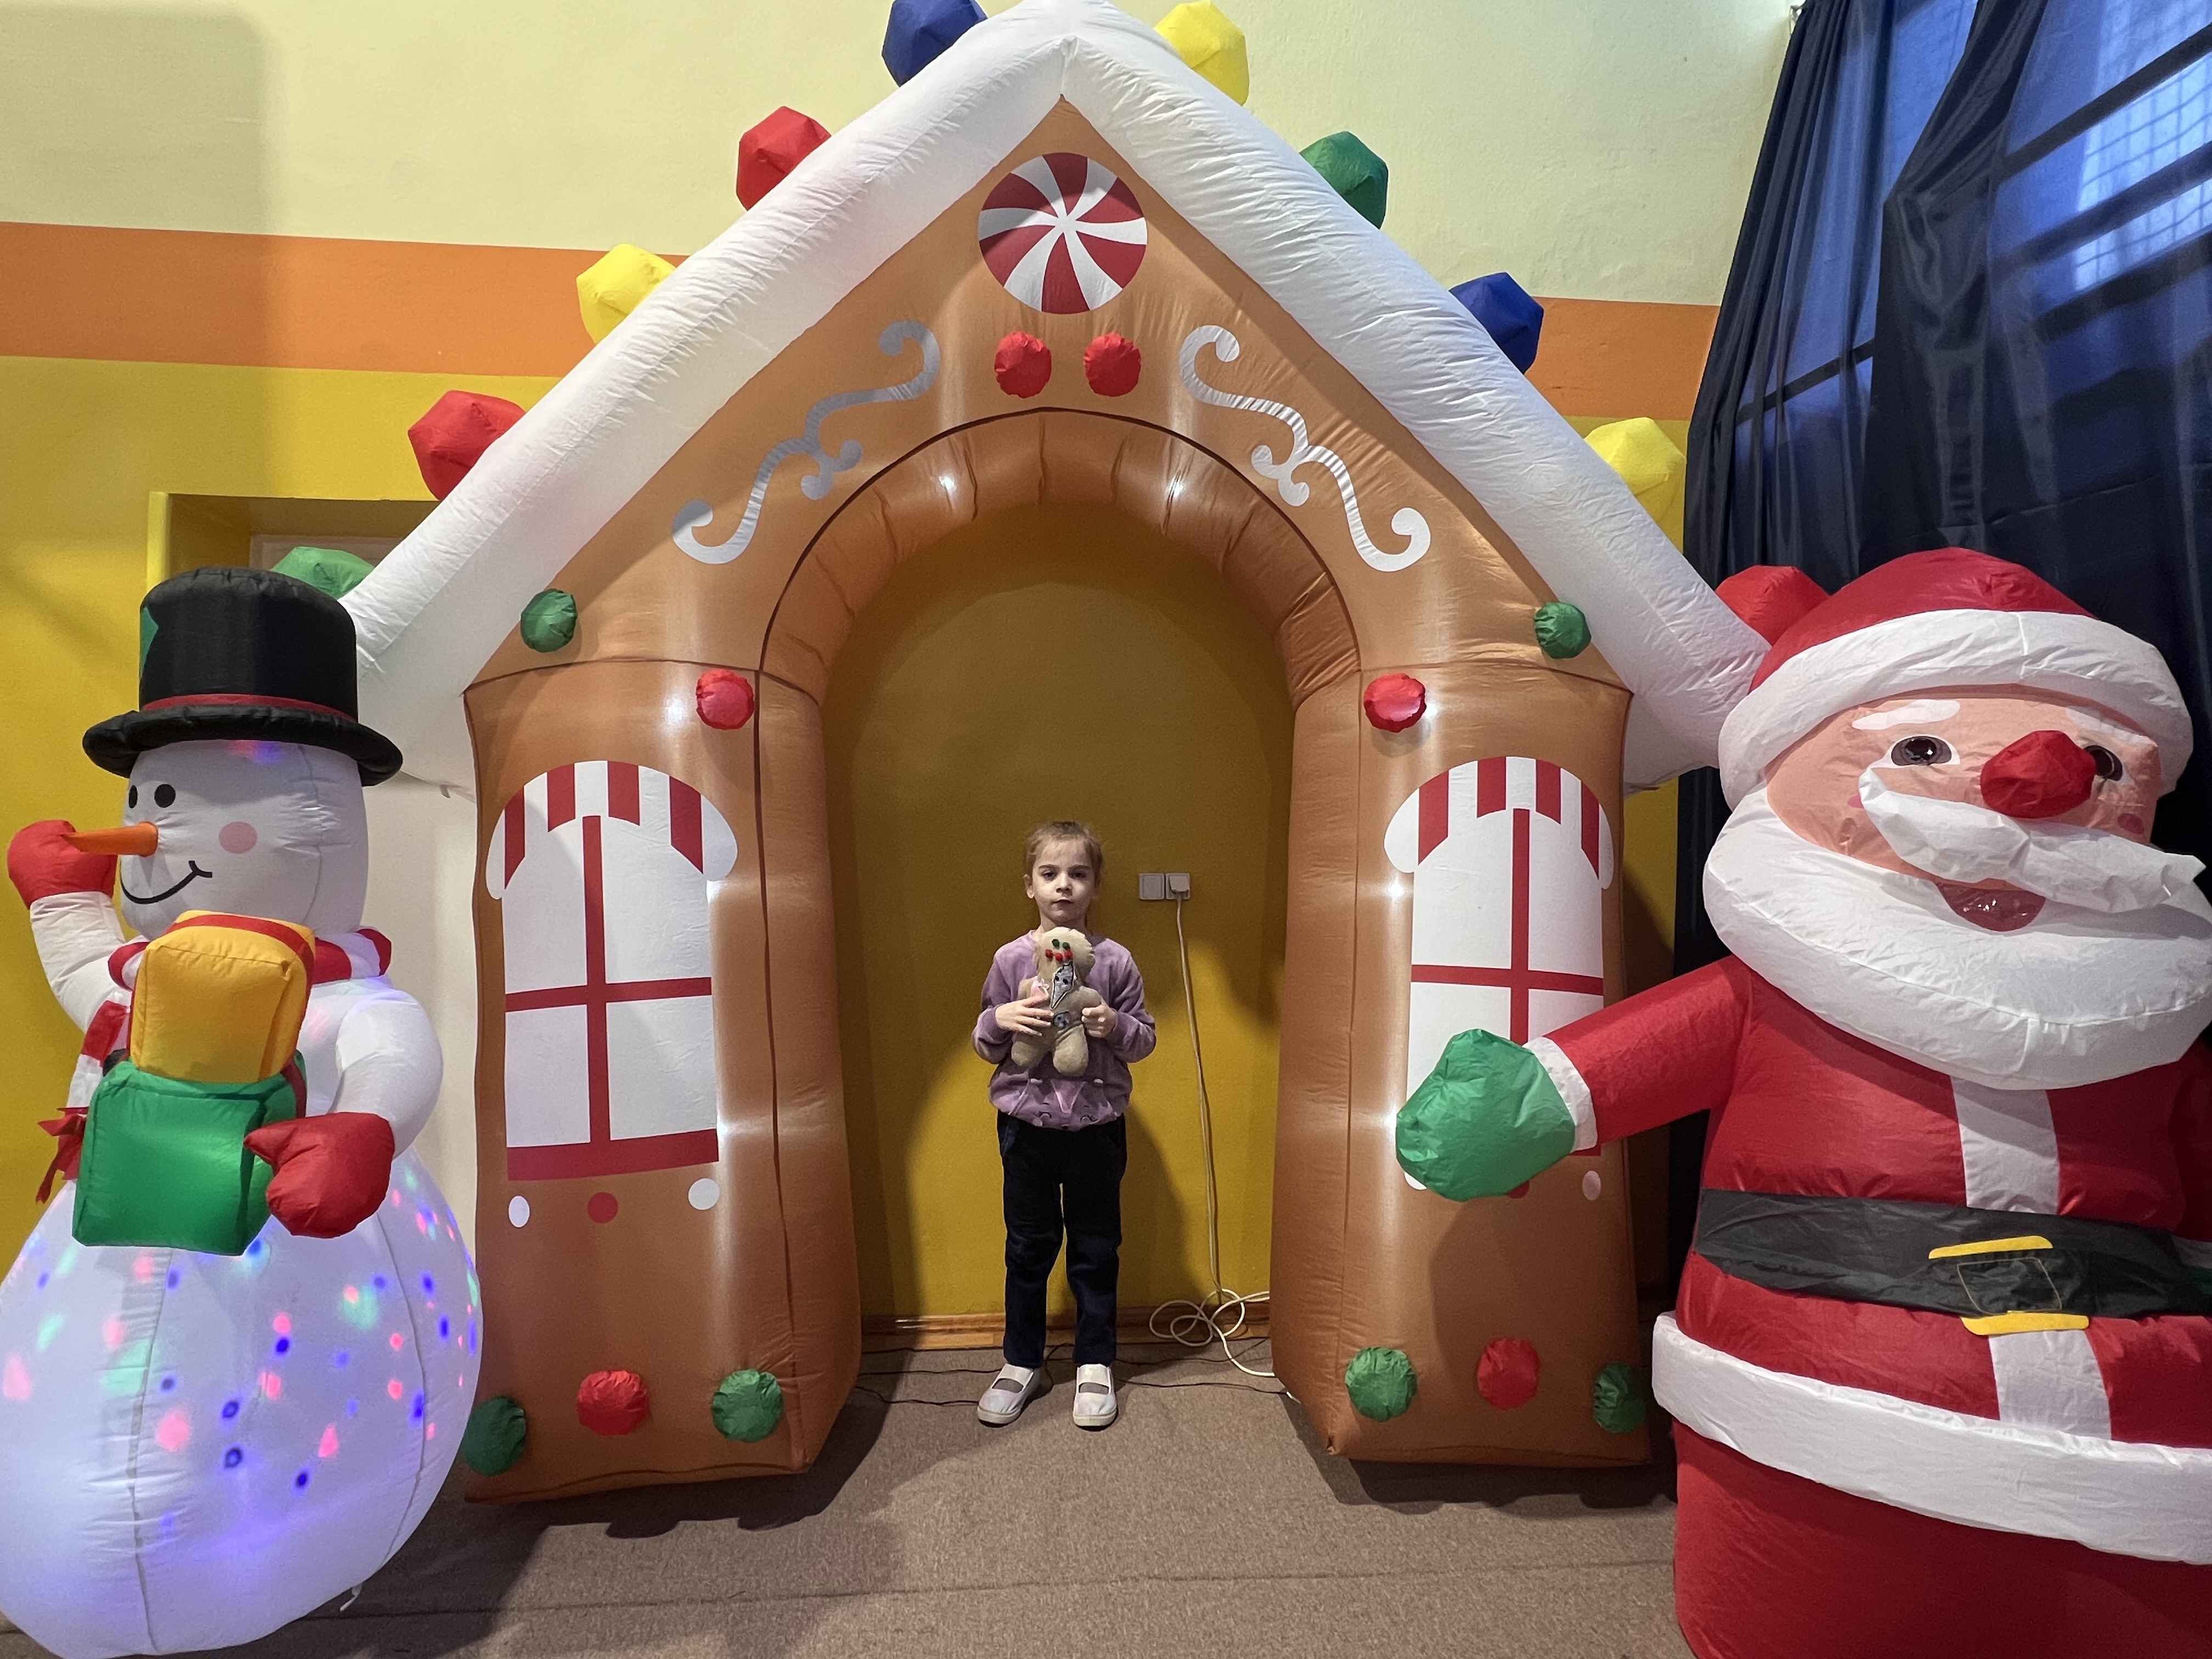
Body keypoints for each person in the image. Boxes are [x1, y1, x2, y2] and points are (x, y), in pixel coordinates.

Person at [1395, 551, 2212, 1659]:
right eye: (1922, 749)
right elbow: (1636, 1058)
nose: (2036, 782)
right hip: (1824, 1368)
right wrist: (1527, 1099)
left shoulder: (2148, 1012)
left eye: (2101, 761)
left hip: (2141, 1373)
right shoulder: (1771, 992)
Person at [972, 821, 1156, 1429]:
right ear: (1030, 885)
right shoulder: (1009, 960)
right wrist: (1000, 1019)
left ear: (1096, 886)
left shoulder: (1116, 962)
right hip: (1026, 1129)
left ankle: (1095, 1361)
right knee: (1028, 1247)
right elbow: (984, 1043)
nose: (1063, 885)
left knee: (1096, 1247)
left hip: (1096, 1130)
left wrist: (1115, 1027)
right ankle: (1022, 1360)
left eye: (1078, 874)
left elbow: (1145, 1040)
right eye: (1049, 874)